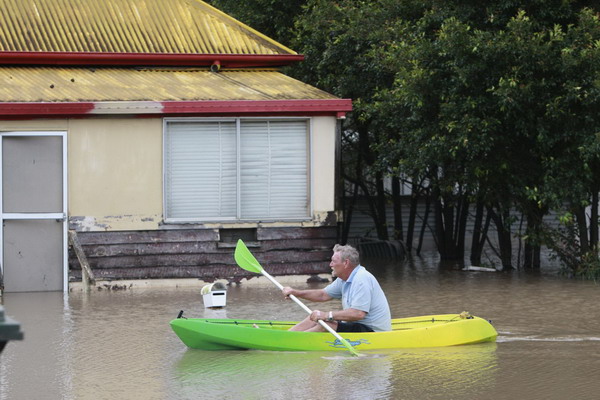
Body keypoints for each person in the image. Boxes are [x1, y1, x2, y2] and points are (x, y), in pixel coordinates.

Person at [282, 244, 391, 332]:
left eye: (333, 261)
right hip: (355, 326)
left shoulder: (361, 278)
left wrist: (327, 315)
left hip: (373, 331)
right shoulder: (344, 279)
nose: (330, 264)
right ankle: (287, 337)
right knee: (314, 316)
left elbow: (358, 313)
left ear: (346, 263)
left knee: (326, 323)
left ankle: (295, 342)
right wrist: (296, 293)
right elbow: (323, 295)